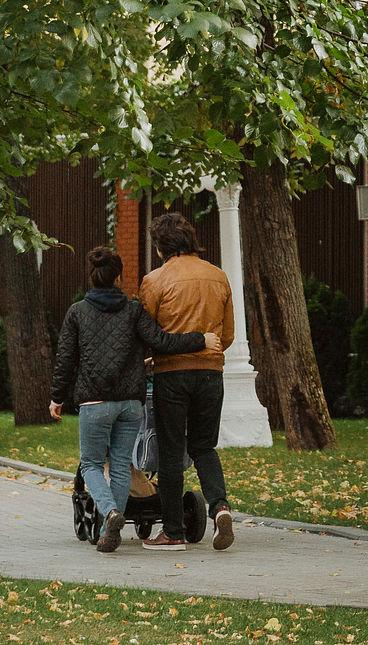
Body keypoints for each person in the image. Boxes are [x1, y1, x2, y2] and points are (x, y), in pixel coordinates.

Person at [49, 246, 219, 553]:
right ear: (119, 277)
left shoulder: (77, 312)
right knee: (120, 465)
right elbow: (161, 341)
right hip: (131, 403)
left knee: (90, 463)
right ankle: (106, 532)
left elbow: (65, 360)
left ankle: (112, 514)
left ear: (92, 276)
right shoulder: (133, 310)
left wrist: (57, 398)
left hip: (94, 402)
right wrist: (201, 339)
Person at [139, 209, 238, 550]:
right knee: (204, 446)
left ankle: (173, 532)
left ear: (160, 247)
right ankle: (220, 506)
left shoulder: (154, 281)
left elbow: (147, 333)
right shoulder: (219, 276)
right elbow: (227, 335)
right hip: (211, 372)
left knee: (169, 452)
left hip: (172, 374)